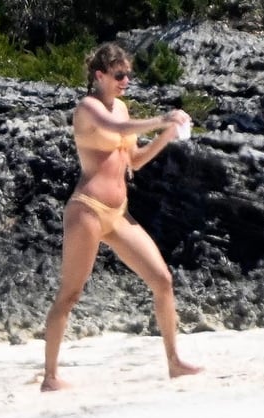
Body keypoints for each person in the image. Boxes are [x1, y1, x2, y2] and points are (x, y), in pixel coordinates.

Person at [41, 42, 202, 392]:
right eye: (118, 75)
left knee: (162, 279)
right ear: (99, 75)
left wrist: (167, 134)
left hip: (118, 213)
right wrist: (162, 118)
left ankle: (174, 361)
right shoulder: (88, 108)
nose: (125, 80)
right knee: (70, 294)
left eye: (128, 74)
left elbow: (136, 160)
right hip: (87, 210)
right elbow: (118, 128)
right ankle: (50, 377)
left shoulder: (124, 109)